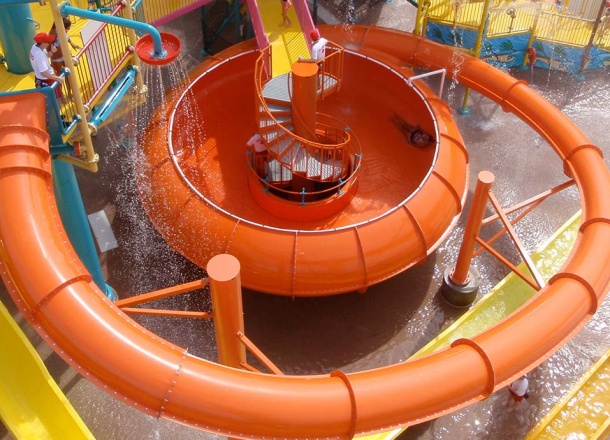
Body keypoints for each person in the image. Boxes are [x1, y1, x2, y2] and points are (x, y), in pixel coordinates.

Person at [30, 32, 65, 101]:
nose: (50, 43)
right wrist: (58, 78)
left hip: (39, 78)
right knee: (55, 99)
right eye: (48, 42)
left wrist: (52, 52)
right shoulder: (39, 55)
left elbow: (45, 57)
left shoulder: (35, 47)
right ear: (43, 43)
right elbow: (43, 73)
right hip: (47, 79)